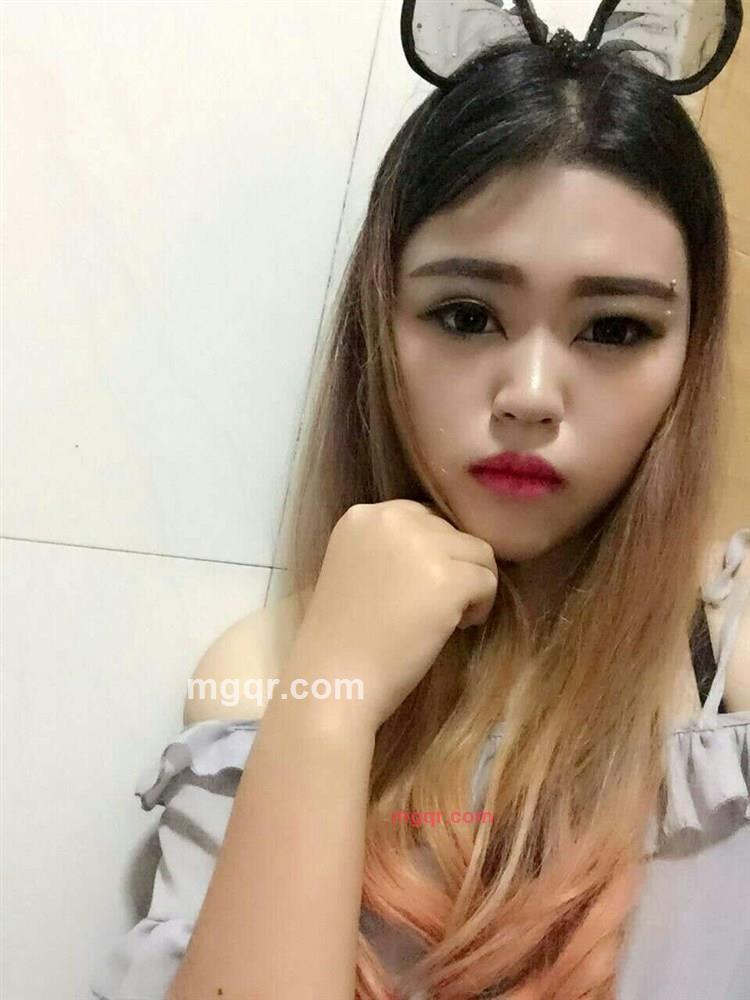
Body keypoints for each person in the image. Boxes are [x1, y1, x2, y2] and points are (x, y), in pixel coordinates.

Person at [90, 2, 750, 997]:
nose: (531, 394)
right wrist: (332, 704)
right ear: (380, 325)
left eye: (615, 329)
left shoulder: (730, 651)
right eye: (467, 315)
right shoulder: (273, 669)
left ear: (690, 355)